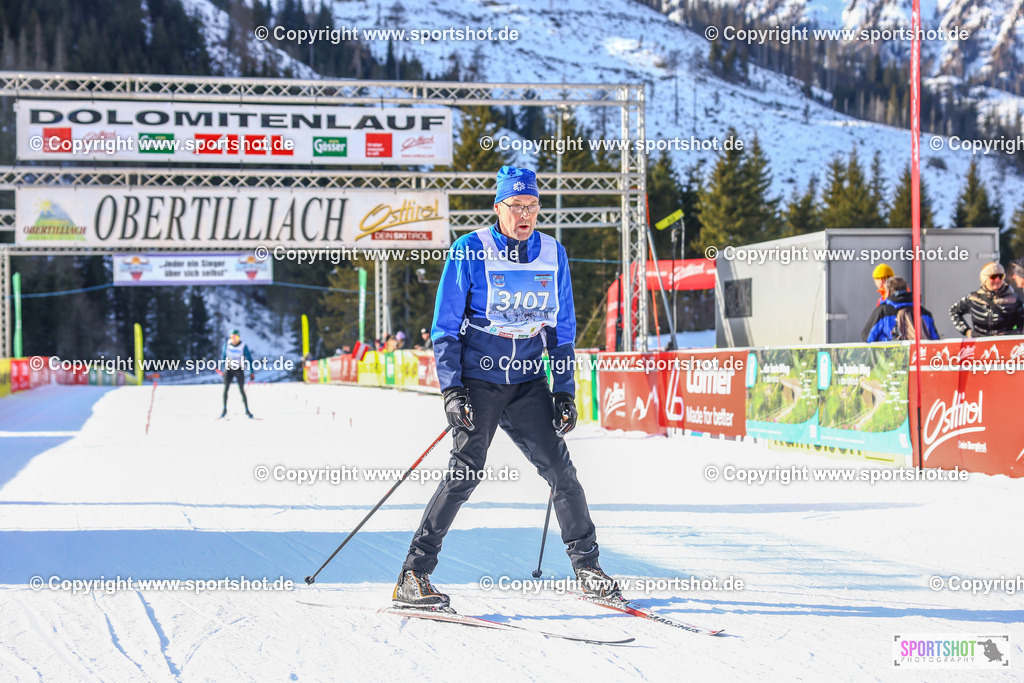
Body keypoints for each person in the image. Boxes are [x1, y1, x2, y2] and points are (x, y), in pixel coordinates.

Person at [393, 165, 618, 610]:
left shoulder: (554, 253)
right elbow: (444, 328)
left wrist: (565, 391)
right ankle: (413, 575)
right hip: (481, 379)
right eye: (516, 206)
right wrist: (453, 391)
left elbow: (562, 329)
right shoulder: (469, 249)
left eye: (532, 206)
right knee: (465, 472)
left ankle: (588, 568)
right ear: (498, 207)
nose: (525, 214)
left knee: (562, 473)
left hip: (529, 381)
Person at [949, 262, 1024, 337]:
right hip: (979, 344)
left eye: (1000, 276)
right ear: (984, 279)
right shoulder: (973, 298)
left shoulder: (1014, 300)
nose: (997, 280)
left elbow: (1021, 328)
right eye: (993, 276)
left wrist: (1007, 335)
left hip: (1004, 345)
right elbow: (953, 311)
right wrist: (966, 331)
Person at [862, 277, 939, 342]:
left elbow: (867, 338)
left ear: (888, 292)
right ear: (907, 289)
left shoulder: (882, 312)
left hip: (890, 358)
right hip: (918, 357)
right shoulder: (924, 312)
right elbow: (935, 341)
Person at [221, 329, 254, 418]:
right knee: (225, 390)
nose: (233, 339)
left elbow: (250, 359)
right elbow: (223, 357)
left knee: (241, 390)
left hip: (239, 369)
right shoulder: (227, 344)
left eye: (235, 337)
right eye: (232, 337)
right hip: (229, 369)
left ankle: (247, 410)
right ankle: (224, 409)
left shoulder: (243, 346)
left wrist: (252, 371)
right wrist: (223, 368)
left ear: (238, 337)